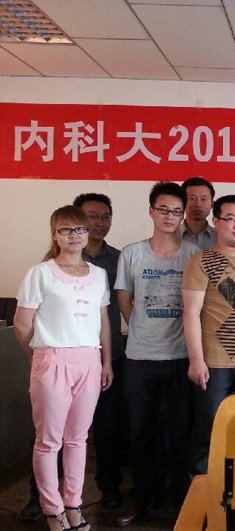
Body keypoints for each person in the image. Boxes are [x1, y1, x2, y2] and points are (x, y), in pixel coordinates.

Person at [14, 205, 113, 531]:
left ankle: (73, 505)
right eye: (66, 230)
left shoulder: (98, 274)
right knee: (48, 441)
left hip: (90, 360)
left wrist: (106, 362)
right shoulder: (40, 273)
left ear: (87, 233)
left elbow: (103, 322)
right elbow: (22, 324)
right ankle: (52, 510)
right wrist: (38, 357)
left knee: (78, 439)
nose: (74, 236)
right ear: (55, 235)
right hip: (52, 359)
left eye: (79, 229)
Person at [115, 182, 200, 526]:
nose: (169, 216)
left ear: (183, 215)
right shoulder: (132, 253)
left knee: (181, 432)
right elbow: (125, 300)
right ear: (151, 211)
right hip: (140, 358)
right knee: (140, 432)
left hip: (181, 357)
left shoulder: (193, 253)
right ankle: (142, 497)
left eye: (176, 211)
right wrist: (142, 329)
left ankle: (182, 498)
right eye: (163, 209)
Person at [184, 195, 235, 476]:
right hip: (214, 365)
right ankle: (200, 495)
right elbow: (191, 314)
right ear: (216, 221)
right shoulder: (201, 261)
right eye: (231, 218)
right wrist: (196, 361)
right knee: (209, 432)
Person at [73, 193, 125, 509]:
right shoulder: (59, 259)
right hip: (72, 355)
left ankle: (110, 489)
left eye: (105, 216)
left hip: (111, 354)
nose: (100, 222)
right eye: (92, 216)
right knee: (61, 429)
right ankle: (42, 496)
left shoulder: (119, 259)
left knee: (109, 427)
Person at [180, 177, 216, 250]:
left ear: (212, 204)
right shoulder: (170, 236)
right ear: (181, 202)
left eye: (203, 199)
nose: (198, 204)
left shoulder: (221, 238)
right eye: (192, 198)